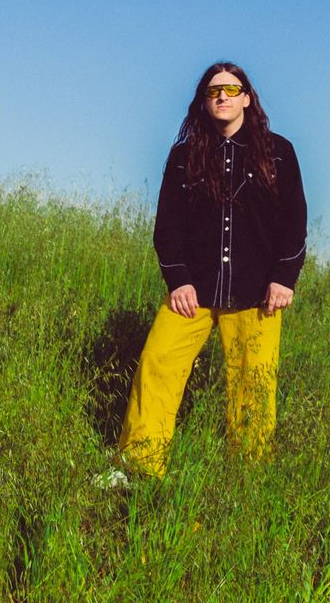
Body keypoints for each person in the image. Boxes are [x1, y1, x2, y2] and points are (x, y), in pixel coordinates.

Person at [115, 62, 307, 480]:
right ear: (203, 102)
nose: (222, 96)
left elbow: (294, 221)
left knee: (252, 389)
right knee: (157, 364)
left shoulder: (279, 152)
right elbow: (168, 224)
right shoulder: (184, 156)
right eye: (213, 91)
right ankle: (138, 468)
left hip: (257, 293)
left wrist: (283, 278)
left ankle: (247, 481)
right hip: (193, 292)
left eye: (231, 88)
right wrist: (177, 278)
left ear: (247, 98)